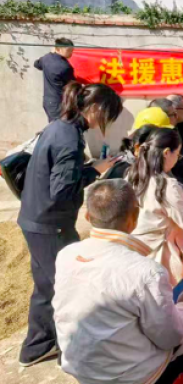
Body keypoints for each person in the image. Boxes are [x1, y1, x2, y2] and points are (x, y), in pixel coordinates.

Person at [53, 180, 183, 384]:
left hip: (84, 377)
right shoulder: (146, 271)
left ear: (88, 217)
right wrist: (182, 305)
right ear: (134, 219)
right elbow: (170, 338)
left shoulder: (66, 255)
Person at [17, 82, 122, 367]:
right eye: (107, 115)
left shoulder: (57, 126)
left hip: (35, 219)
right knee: (71, 288)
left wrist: (88, 168)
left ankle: (36, 347)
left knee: (46, 287)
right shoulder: (69, 137)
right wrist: (95, 172)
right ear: (96, 108)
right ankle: (71, 352)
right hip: (52, 224)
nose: (105, 122)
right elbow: (62, 190)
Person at [127, 128, 183, 285]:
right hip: (159, 257)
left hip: (134, 250)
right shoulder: (166, 186)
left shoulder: (131, 176)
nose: (177, 159)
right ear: (167, 153)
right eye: (178, 155)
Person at [34, 38, 75, 122]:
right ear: (58, 49)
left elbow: (37, 64)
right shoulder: (64, 67)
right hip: (59, 103)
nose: (71, 53)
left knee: (54, 124)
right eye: (68, 50)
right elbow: (72, 84)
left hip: (48, 101)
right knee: (59, 125)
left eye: (72, 50)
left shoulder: (46, 58)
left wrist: (50, 53)